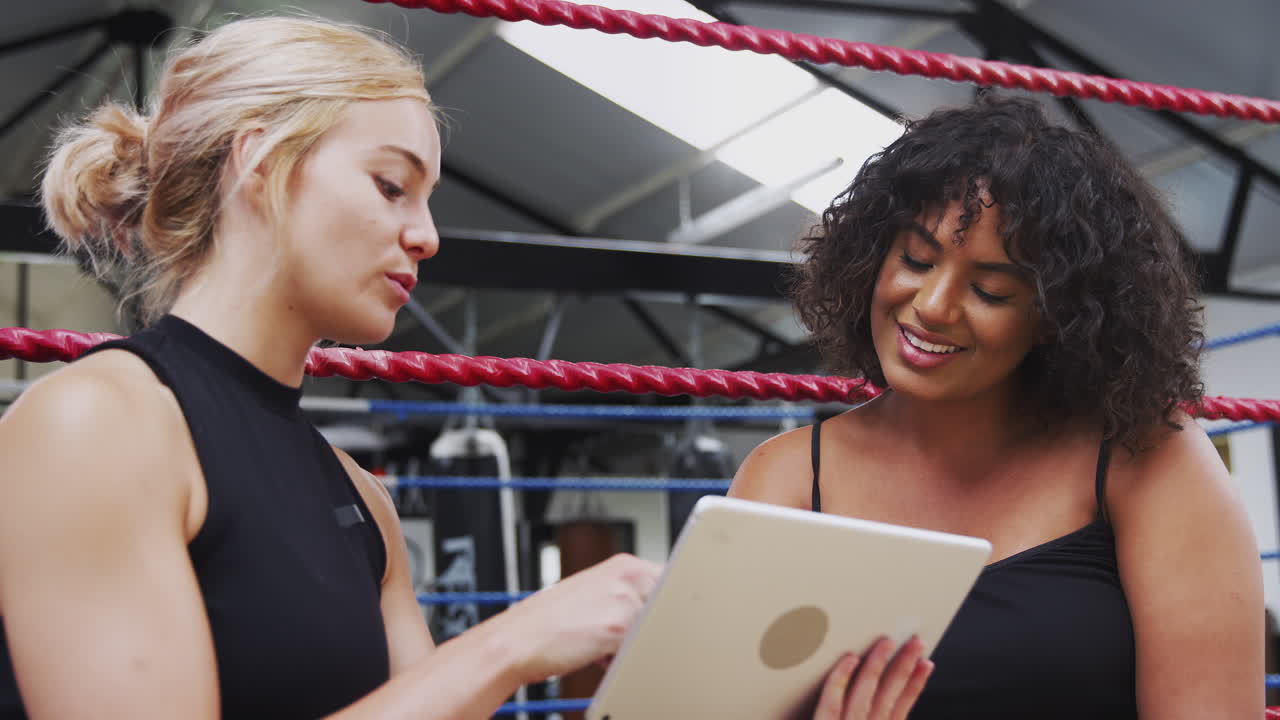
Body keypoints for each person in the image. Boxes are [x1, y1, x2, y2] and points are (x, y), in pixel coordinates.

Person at [0, 15, 931, 719]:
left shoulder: (362, 497)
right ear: (263, 164)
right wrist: (517, 641)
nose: (427, 234)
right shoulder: (95, 423)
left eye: (429, 197)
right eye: (390, 185)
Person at [730, 94, 1264, 718]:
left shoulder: (1146, 455)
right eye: (916, 260)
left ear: (1054, 315)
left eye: (990, 289)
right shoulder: (789, 477)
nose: (933, 304)